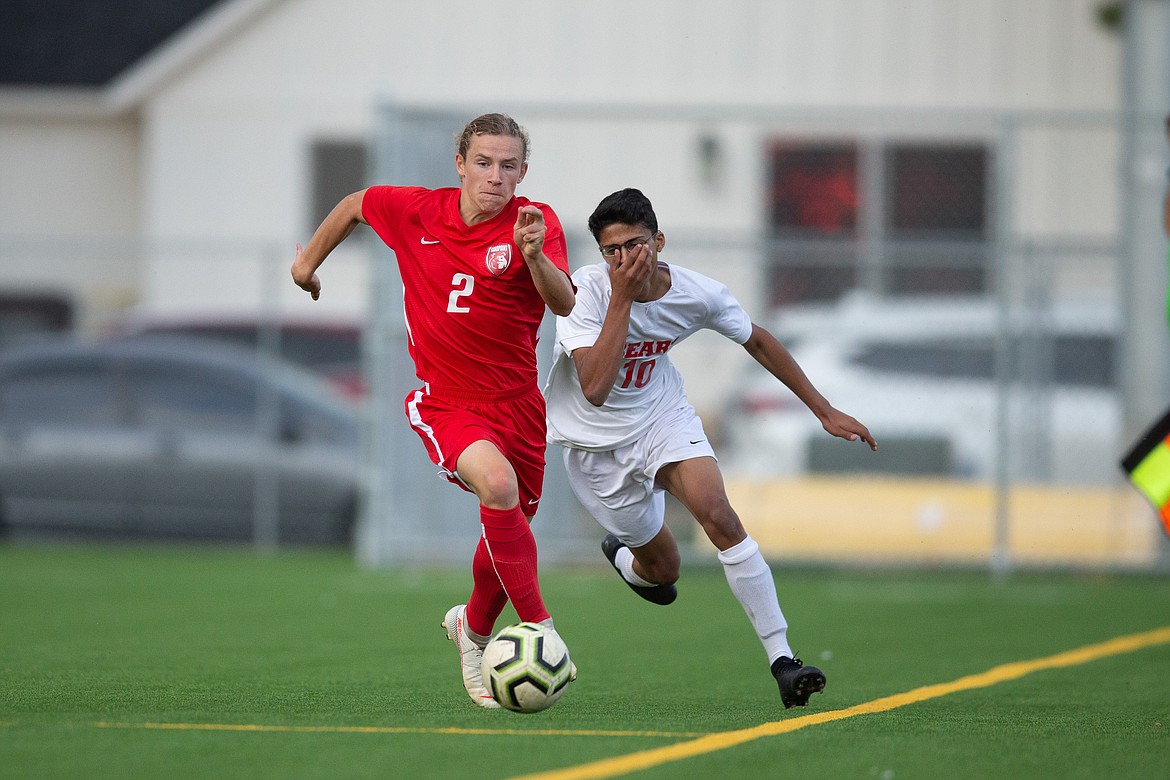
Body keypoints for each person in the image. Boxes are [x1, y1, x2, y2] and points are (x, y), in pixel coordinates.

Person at [544, 188, 876, 708]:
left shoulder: (699, 293)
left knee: (719, 517)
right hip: (594, 447)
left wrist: (823, 409)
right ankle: (627, 559)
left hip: (661, 417)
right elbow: (594, 388)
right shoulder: (582, 293)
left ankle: (783, 662)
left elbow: (758, 340)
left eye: (635, 245)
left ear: (658, 240)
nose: (625, 259)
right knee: (665, 569)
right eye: (612, 251)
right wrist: (623, 298)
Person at [291, 113, 575, 709]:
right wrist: (305, 264)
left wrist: (534, 259)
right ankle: (541, 632)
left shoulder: (536, 223)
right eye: (483, 162)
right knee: (496, 485)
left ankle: (471, 631)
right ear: (460, 164)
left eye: (508, 165)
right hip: (447, 401)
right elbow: (353, 203)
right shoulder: (418, 211)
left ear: (523, 171)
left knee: (508, 528)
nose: (495, 176)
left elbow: (564, 301)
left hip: (521, 405)